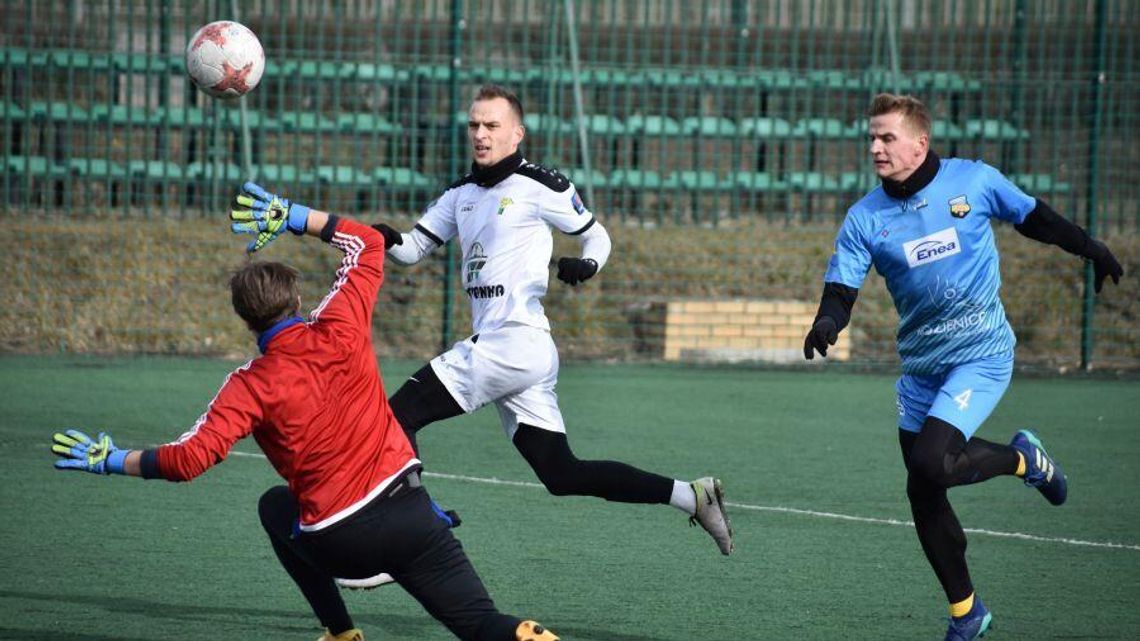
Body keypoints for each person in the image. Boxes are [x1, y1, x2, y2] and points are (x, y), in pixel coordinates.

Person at [51, 185, 560, 641]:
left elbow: (189, 460)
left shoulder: (249, 384)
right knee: (483, 625)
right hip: (411, 516)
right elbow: (369, 242)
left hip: (341, 541)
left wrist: (112, 458)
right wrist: (293, 215)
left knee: (275, 507)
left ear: (246, 321)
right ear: (297, 298)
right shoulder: (339, 325)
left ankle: (340, 633)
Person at [803, 93, 1123, 641]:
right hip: (923, 367)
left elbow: (1034, 218)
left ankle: (1024, 461)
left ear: (919, 142)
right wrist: (827, 321)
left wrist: (1090, 247)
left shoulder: (972, 181)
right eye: (872, 138)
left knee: (932, 460)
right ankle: (967, 613)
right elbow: (841, 289)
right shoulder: (864, 218)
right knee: (923, 491)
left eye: (887, 138)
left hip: (981, 353)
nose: (876, 147)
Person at [372, 84, 734, 557]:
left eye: (492, 126)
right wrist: (378, 237)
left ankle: (409, 539)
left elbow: (597, 236)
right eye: (474, 125)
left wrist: (588, 265)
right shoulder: (459, 193)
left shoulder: (540, 186)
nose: (480, 134)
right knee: (562, 474)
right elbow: (413, 248)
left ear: (516, 133)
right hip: (515, 351)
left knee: (397, 415)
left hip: (514, 341)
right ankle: (692, 494)